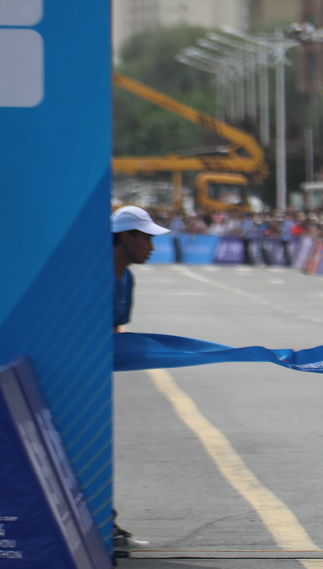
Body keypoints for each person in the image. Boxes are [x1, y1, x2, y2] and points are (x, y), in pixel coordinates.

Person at [112, 205, 170, 554]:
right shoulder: (93, 274)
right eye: (147, 239)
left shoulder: (127, 279)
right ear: (127, 237)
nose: (152, 247)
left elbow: (115, 329)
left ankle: (104, 518)